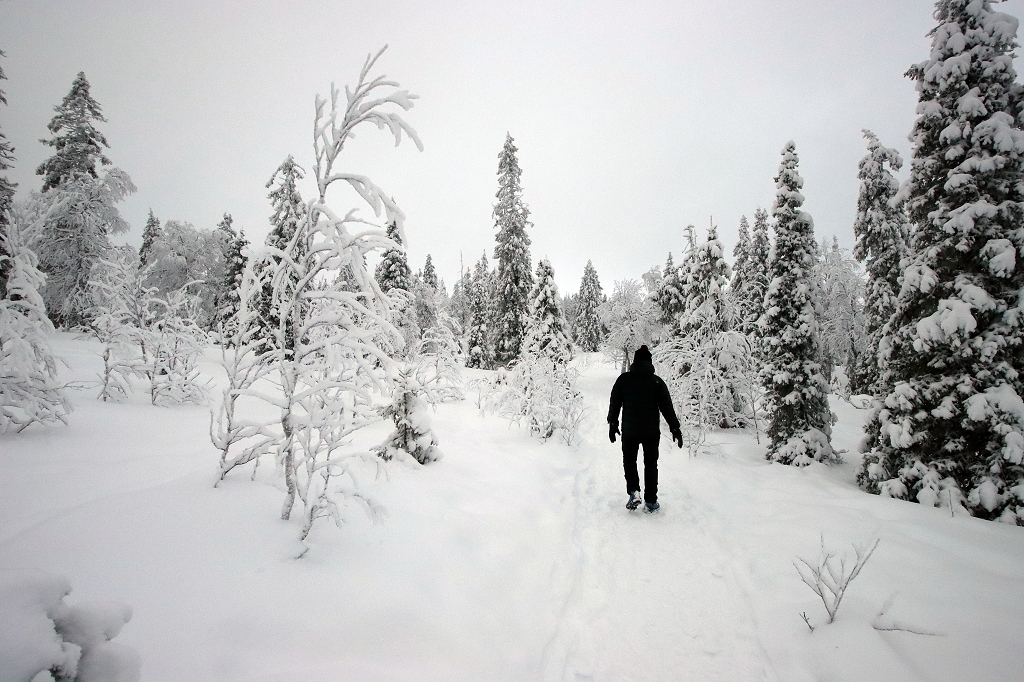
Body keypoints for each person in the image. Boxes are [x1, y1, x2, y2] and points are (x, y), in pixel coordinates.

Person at [607, 345, 682, 513]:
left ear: (634, 361)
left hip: (630, 431)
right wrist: (675, 427)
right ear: (650, 361)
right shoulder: (657, 382)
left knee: (629, 461)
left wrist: (612, 423)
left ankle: (634, 492)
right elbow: (667, 407)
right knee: (650, 464)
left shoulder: (623, 380)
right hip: (651, 433)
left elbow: (615, 402)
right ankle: (650, 501)